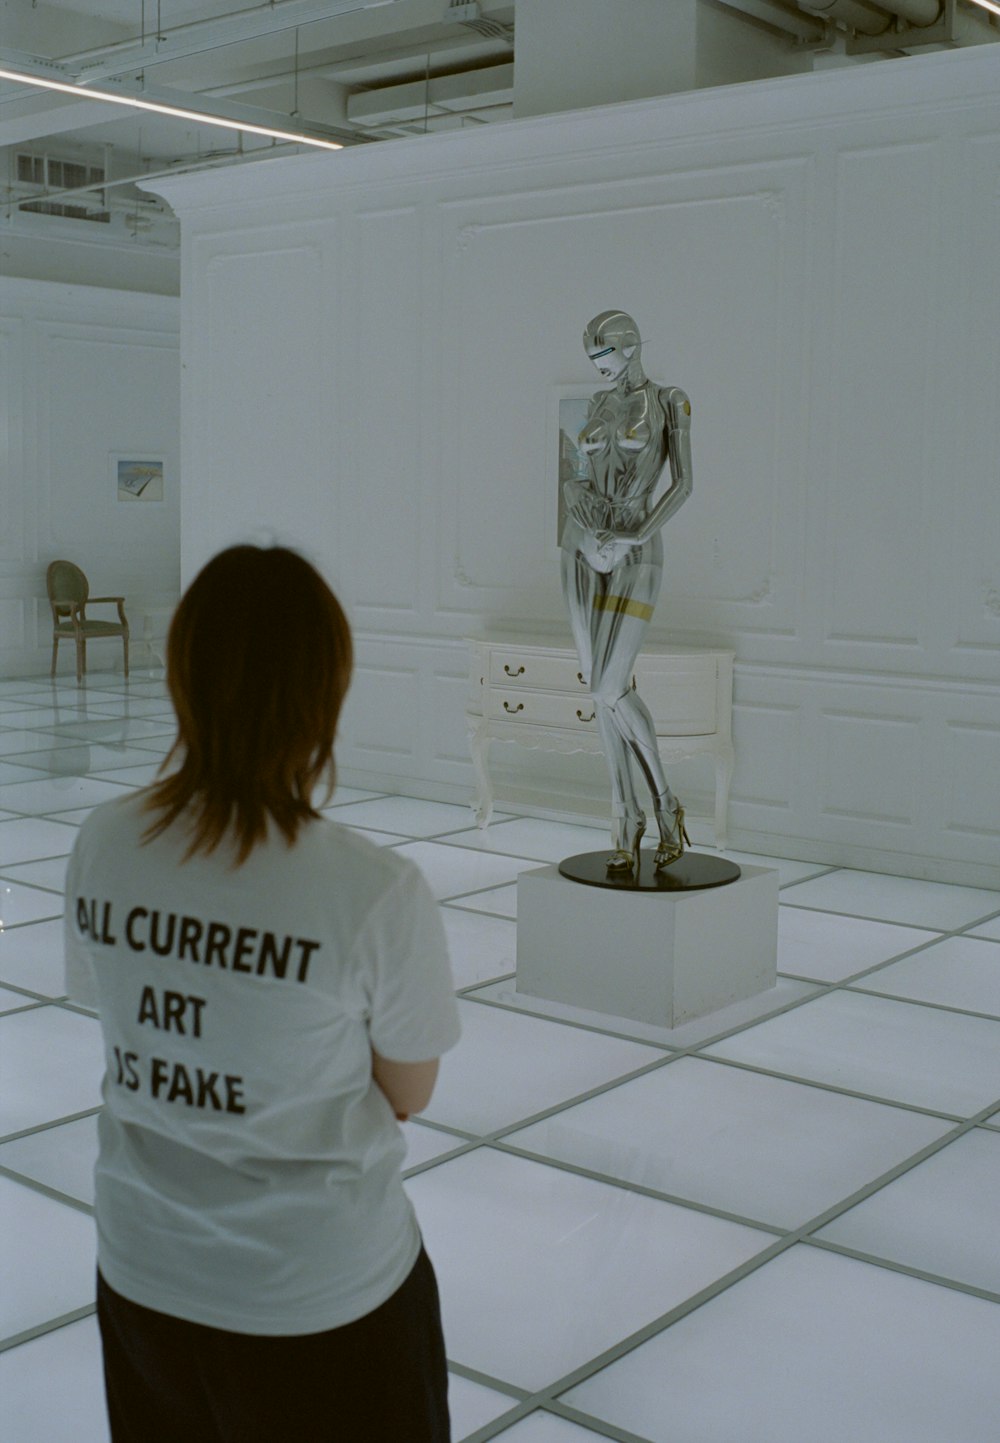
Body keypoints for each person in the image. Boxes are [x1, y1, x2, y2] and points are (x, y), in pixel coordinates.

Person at [64, 544, 460, 1443]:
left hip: (143, 1278)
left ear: (181, 671)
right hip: (323, 1299)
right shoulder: (371, 888)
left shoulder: (104, 842)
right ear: (326, 688)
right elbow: (409, 1090)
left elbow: (115, 1007)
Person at [561, 310, 694, 872]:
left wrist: (633, 533)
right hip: (583, 550)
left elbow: (684, 482)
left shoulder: (671, 401)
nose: (599, 368)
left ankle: (665, 804)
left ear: (630, 346)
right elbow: (578, 477)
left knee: (612, 686)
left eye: (604, 357)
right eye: (592, 361)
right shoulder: (596, 405)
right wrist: (588, 528)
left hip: (638, 548)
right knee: (597, 691)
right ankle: (625, 816)